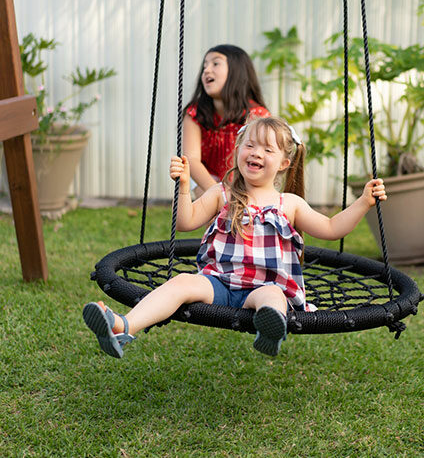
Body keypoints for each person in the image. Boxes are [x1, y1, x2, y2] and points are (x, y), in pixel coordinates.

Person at [83, 116, 387, 358]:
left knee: (271, 299)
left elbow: (332, 228)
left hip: (266, 287)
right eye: (250, 145)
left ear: (284, 163)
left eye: (268, 150)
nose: (256, 153)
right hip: (220, 283)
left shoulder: (289, 203)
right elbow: (186, 222)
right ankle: (123, 327)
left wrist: (363, 202)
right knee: (181, 282)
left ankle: (270, 329)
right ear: (239, 149)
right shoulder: (221, 193)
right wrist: (185, 185)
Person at [183, 44, 270, 196]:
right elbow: (192, 159)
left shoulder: (257, 115)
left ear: (237, 72)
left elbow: (261, 159)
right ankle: (211, 216)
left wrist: (237, 194)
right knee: (202, 195)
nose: (207, 70)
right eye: (205, 65)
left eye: (215, 63)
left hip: (246, 180)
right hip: (208, 181)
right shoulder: (195, 113)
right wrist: (220, 195)